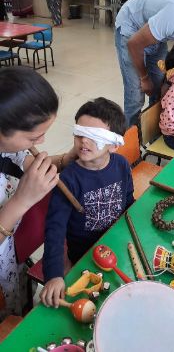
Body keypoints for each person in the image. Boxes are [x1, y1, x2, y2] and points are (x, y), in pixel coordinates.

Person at [40, 97, 134, 308]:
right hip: (84, 254)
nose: (84, 141)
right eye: (80, 134)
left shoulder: (121, 165)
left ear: (114, 144)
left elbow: (128, 200)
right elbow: (54, 231)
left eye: (94, 136)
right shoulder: (68, 180)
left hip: (117, 242)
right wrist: (54, 275)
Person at [0, 66, 76, 320]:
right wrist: (22, 200)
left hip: (11, 259)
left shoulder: (6, 145)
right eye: (34, 137)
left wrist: (64, 160)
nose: (41, 143)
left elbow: (20, 159)